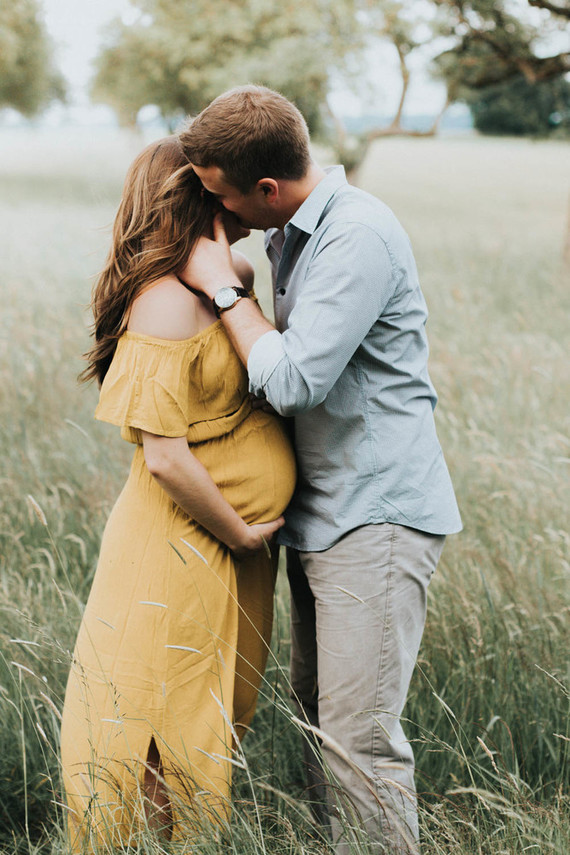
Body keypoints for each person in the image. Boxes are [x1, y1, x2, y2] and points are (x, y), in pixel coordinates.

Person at [178, 85, 462, 855]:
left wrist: (223, 287)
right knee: (319, 724)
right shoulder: (293, 231)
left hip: (377, 515)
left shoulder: (355, 236)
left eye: (225, 198)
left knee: (358, 742)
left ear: (267, 189)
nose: (224, 216)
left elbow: (298, 378)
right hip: (328, 514)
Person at [59, 136, 296, 851]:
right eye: (223, 185)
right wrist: (241, 530)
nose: (246, 194)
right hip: (185, 540)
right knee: (158, 714)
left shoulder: (234, 273)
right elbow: (164, 457)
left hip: (231, 544)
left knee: (217, 705)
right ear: (199, 195)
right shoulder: (163, 301)